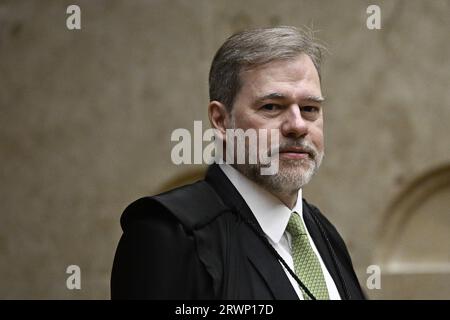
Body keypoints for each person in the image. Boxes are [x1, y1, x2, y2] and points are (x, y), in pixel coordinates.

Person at [111, 26, 365, 300]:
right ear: (221, 120)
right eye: (271, 107)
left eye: (309, 109)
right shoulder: (168, 236)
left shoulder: (322, 231)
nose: (297, 126)